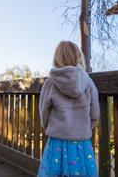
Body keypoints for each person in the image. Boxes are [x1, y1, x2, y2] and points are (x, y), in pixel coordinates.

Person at [38, 41, 100, 177]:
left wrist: (50, 128)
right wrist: (85, 128)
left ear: (57, 58)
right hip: (81, 144)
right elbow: (95, 112)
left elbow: (44, 112)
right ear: (78, 57)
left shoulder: (50, 83)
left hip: (56, 143)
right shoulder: (88, 82)